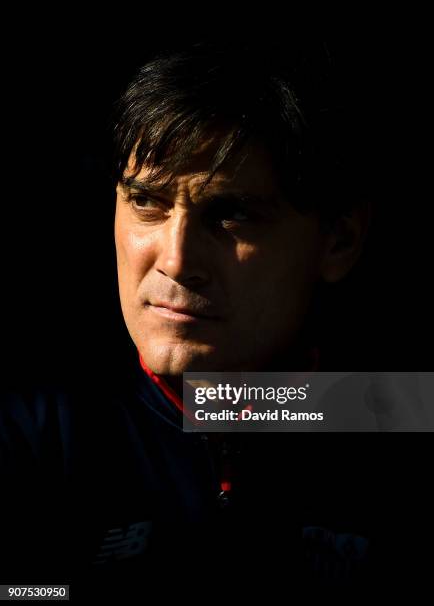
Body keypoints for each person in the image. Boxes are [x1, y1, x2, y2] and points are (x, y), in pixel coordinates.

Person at [0, 40, 423, 597]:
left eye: (231, 214)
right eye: (147, 202)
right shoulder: (34, 426)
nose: (175, 261)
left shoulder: (400, 417)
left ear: (339, 240)